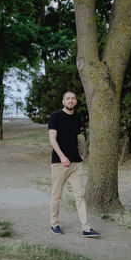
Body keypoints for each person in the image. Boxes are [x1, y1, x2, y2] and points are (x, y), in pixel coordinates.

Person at [48, 91, 100, 238]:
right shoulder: (55, 116)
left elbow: (76, 138)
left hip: (76, 163)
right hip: (60, 163)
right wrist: (63, 156)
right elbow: (52, 139)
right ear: (63, 101)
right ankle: (54, 224)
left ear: (75, 102)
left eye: (73, 98)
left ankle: (86, 228)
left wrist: (78, 155)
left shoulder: (77, 118)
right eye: (68, 98)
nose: (71, 101)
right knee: (56, 195)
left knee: (80, 195)